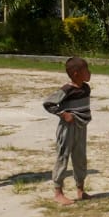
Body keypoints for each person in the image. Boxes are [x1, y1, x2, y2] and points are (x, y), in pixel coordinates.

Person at [42, 56, 93, 205]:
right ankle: (58, 192)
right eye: (86, 70)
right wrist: (64, 114)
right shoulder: (67, 90)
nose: (89, 73)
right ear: (76, 73)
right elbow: (48, 103)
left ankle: (80, 189)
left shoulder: (85, 88)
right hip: (67, 129)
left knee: (80, 158)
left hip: (81, 128)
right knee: (62, 156)